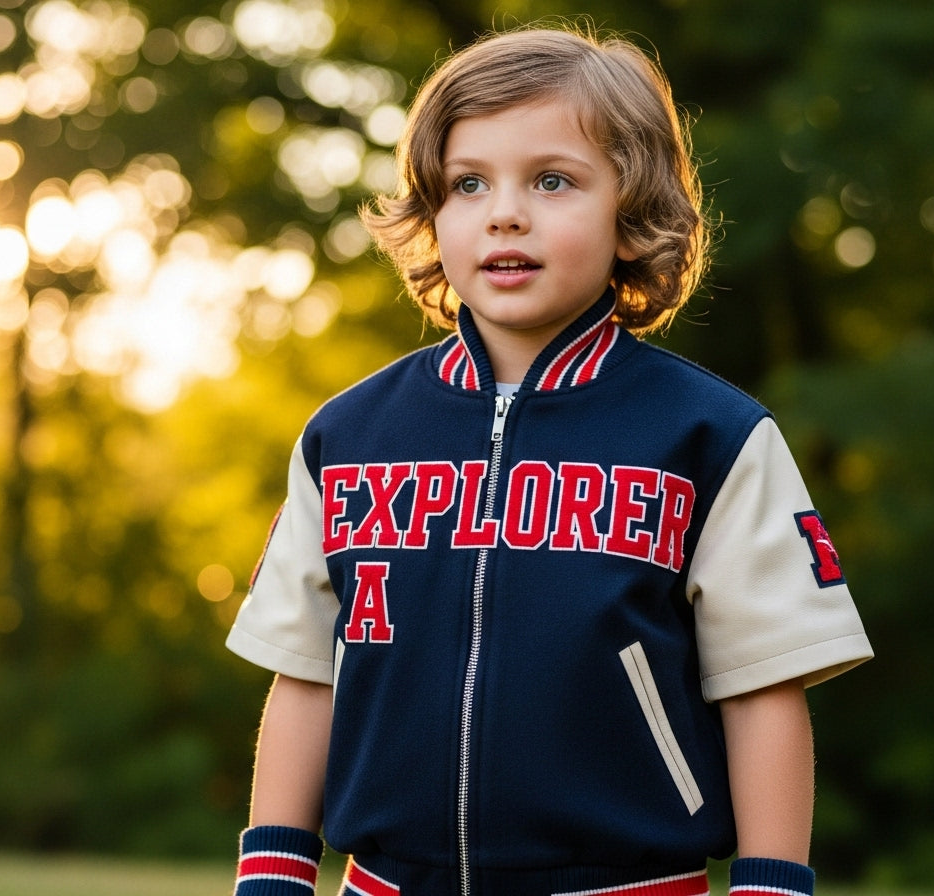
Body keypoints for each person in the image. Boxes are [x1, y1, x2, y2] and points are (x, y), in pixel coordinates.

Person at [226, 24, 872, 896]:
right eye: (467, 184)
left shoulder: (711, 438)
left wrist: (770, 885)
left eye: (553, 180)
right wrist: (273, 875)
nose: (505, 212)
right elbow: (305, 677)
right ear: (432, 213)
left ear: (633, 214)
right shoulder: (348, 437)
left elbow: (763, 690)